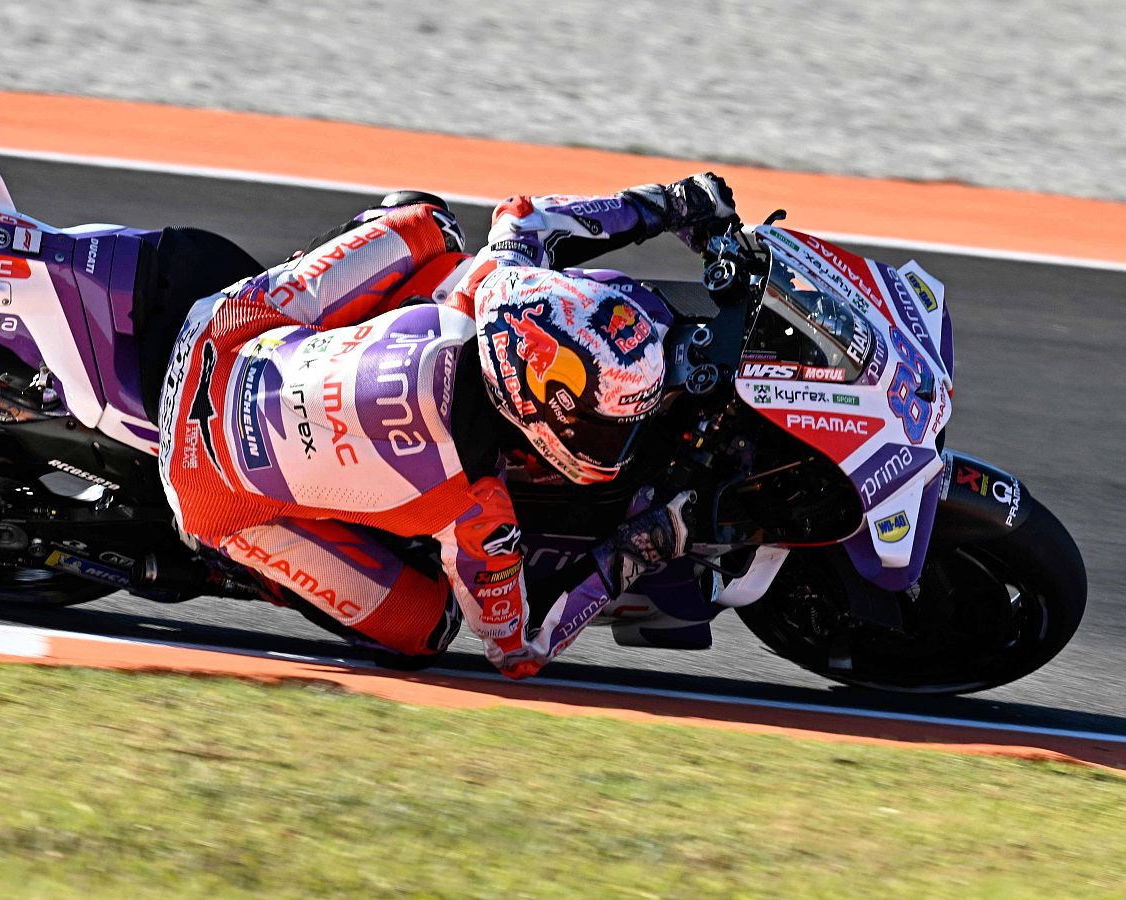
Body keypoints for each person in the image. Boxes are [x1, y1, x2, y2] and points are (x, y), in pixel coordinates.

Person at [157, 174, 736, 678]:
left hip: (220, 333)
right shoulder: (477, 509)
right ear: (541, 408)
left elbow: (524, 216)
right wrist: (635, 552)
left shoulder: (489, 283)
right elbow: (518, 651)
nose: (613, 437)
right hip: (208, 491)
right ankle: (236, 565)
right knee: (427, 630)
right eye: (604, 424)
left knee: (429, 224)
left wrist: (671, 202)